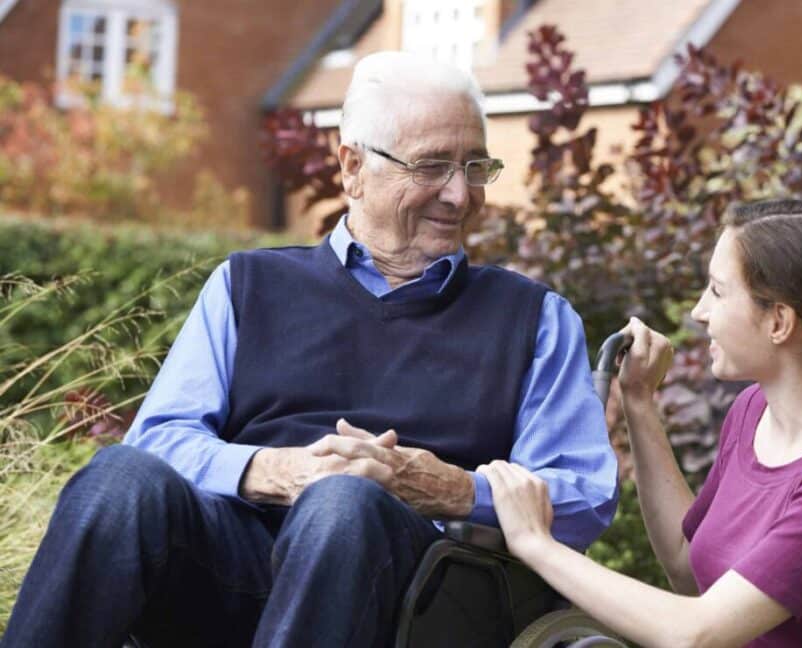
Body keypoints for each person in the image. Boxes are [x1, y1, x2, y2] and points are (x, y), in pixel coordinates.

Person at [2, 52, 618, 648]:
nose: (461, 195)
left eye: (475, 167)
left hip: (420, 595)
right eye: (431, 166)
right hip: (230, 566)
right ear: (352, 166)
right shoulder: (248, 286)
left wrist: (456, 488)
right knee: (118, 478)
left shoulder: (533, 318)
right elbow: (159, 439)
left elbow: (583, 497)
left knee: (343, 503)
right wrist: (275, 471)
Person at [481, 199, 802, 647]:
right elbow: (688, 569)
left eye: (718, 291)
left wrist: (535, 545)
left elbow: (697, 632)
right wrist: (638, 401)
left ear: (779, 322)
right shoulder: (752, 412)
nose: (700, 312)